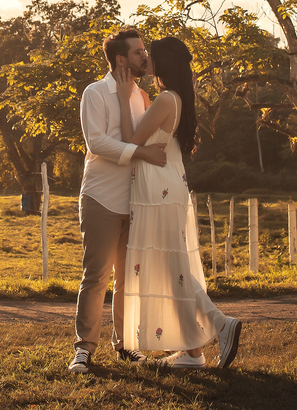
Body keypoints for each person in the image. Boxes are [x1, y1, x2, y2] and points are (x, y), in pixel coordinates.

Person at [114, 36, 241, 368]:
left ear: (164, 63)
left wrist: (124, 99)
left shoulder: (166, 99)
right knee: (173, 270)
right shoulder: (176, 97)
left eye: (151, 55)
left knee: (174, 268)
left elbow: (129, 143)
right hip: (167, 186)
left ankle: (220, 324)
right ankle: (193, 351)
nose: (146, 59)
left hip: (159, 190)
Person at [68, 29, 170, 375]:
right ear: (121, 59)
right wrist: (140, 153)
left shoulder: (141, 96)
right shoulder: (95, 93)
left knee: (129, 278)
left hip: (136, 200)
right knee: (96, 276)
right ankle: (84, 350)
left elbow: (141, 137)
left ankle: (125, 344)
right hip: (101, 197)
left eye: (144, 51)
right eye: (139, 52)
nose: (145, 56)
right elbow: (97, 143)